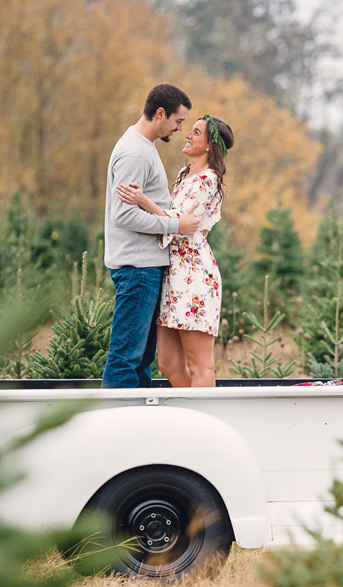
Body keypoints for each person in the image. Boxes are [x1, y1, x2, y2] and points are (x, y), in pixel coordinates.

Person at [116, 114, 235, 387]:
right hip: (172, 274)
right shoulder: (185, 175)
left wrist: (143, 201)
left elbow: (179, 220)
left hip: (194, 276)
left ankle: (201, 425)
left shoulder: (208, 179)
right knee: (168, 363)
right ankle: (190, 416)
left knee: (200, 365)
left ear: (209, 146)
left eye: (195, 132)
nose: (187, 134)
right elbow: (175, 220)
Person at [101, 83, 201, 388]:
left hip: (144, 267)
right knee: (126, 357)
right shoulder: (135, 154)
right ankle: (113, 427)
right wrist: (177, 226)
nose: (180, 128)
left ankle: (136, 426)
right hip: (137, 268)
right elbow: (124, 215)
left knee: (140, 359)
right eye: (178, 120)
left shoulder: (143, 147)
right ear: (160, 114)